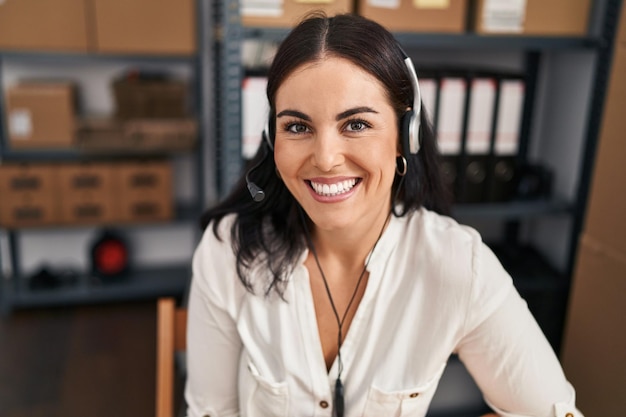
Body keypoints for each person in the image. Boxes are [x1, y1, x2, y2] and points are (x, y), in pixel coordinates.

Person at [185, 12, 584, 417]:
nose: (325, 159)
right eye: (298, 127)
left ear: (404, 136)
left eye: (356, 124)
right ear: (273, 140)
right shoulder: (229, 250)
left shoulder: (459, 264)